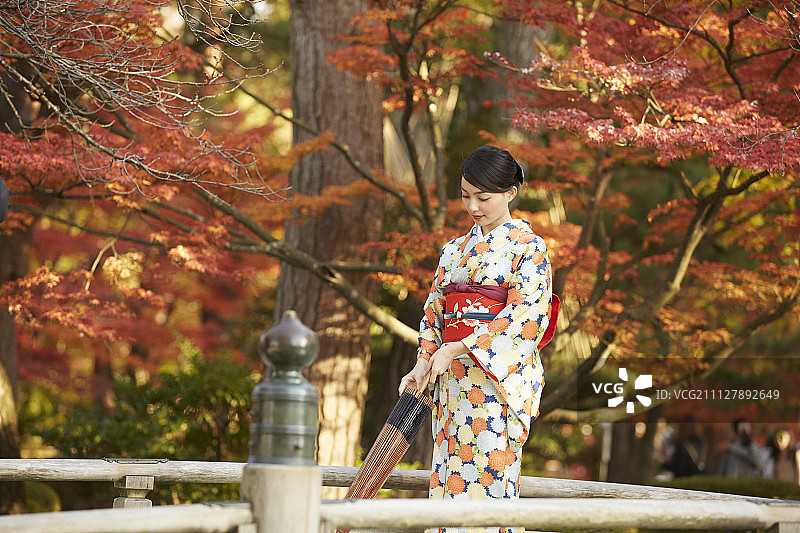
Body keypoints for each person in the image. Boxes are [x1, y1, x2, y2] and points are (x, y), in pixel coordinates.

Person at [399, 145, 557, 533]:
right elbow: (435, 313)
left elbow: (526, 318)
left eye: (483, 197)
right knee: (448, 483)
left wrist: (459, 346)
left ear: (510, 193)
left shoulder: (529, 249)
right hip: (451, 385)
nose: (473, 206)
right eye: (466, 196)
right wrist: (422, 362)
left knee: (489, 485)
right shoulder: (454, 250)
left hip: (496, 388)